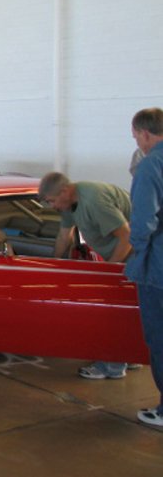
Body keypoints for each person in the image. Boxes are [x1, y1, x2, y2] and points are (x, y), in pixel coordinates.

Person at [38, 171, 133, 379]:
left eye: (52, 201)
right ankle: (130, 355)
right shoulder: (69, 204)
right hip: (124, 256)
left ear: (65, 191)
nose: (52, 206)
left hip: (137, 255)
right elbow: (64, 235)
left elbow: (127, 236)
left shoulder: (94, 201)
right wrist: (53, 265)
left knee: (112, 312)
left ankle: (112, 367)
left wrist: (110, 270)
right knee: (129, 312)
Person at [126, 107, 163, 427]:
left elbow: (143, 221)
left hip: (158, 267)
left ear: (146, 133)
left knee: (160, 339)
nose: (137, 141)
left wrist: (136, 250)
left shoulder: (151, 165)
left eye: (136, 136)